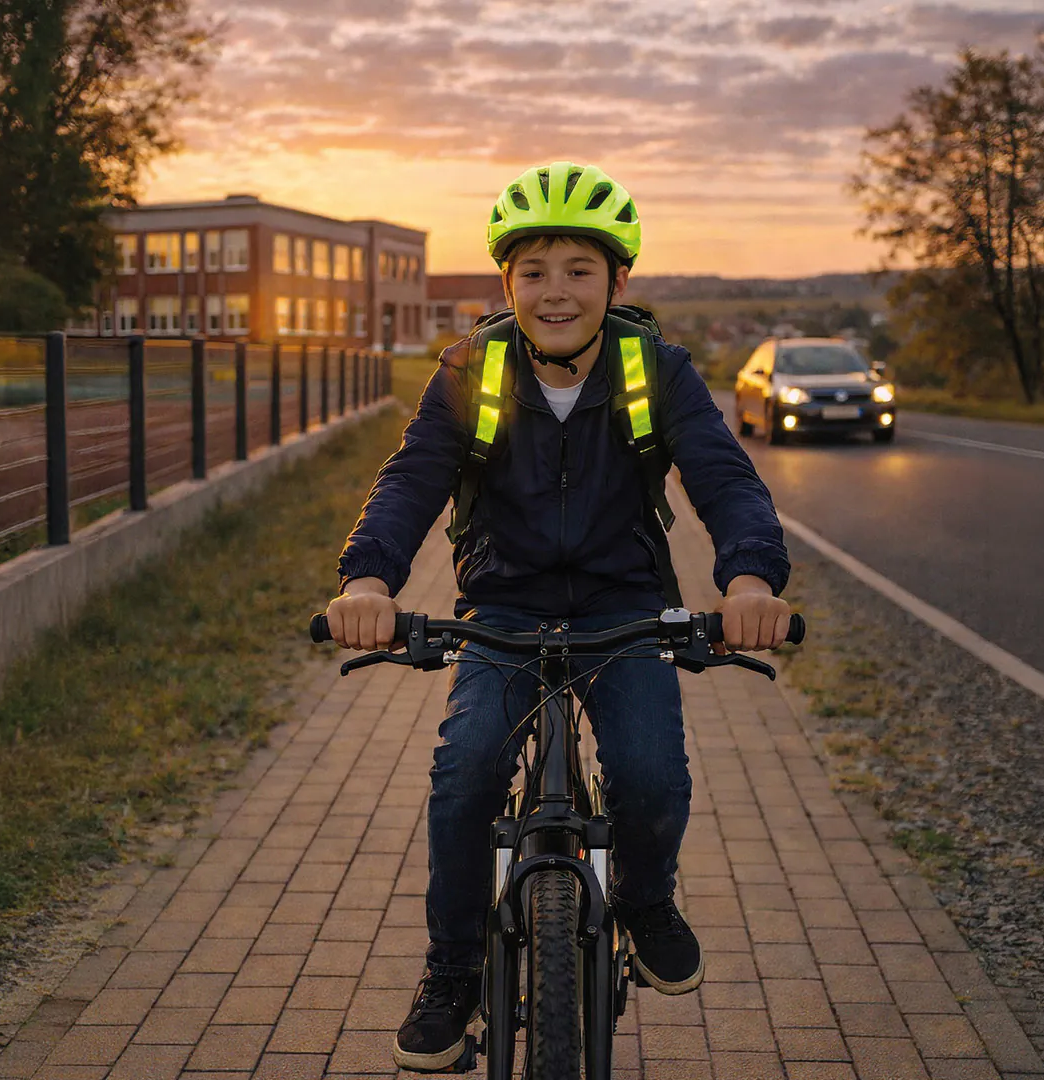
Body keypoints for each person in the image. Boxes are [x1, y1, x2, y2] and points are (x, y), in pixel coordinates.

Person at [324, 161, 792, 1071]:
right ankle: (453, 970)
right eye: (533, 270)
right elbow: (412, 480)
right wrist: (370, 583)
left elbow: (724, 478)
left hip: (625, 611)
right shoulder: (471, 369)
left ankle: (647, 899)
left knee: (652, 775)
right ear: (507, 284)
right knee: (464, 779)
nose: (555, 291)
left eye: (580, 269)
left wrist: (747, 582)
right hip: (503, 608)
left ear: (618, 282)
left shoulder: (657, 367)